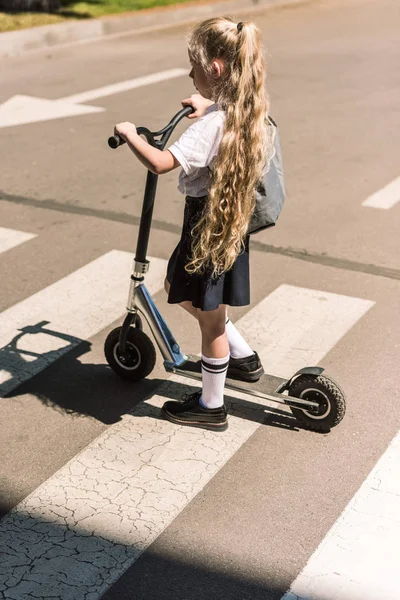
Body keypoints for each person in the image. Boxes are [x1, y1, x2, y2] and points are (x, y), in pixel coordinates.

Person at [114, 17, 275, 432]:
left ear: (215, 69)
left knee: (208, 317)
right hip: (228, 225)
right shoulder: (240, 111)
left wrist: (132, 135)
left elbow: (161, 162)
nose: (190, 74)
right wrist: (209, 105)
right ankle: (243, 357)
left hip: (206, 229)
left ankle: (211, 405)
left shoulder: (208, 128)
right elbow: (220, 119)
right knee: (186, 293)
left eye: (194, 66)